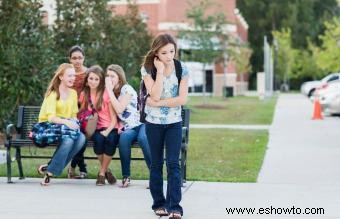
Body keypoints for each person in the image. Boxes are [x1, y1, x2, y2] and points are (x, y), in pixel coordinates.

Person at [141, 33, 189, 219]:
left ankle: (175, 207)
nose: (169, 56)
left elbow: (182, 99)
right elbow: (153, 94)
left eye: (172, 51)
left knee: (173, 164)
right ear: (156, 54)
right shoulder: (147, 68)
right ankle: (159, 204)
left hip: (173, 123)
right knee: (156, 164)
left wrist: (159, 103)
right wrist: (159, 71)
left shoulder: (182, 68)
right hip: (153, 124)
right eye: (164, 53)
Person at [37, 63, 86, 186]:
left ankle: (49, 167)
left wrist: (74, 123)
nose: (73, 78)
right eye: (69, 75)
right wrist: (67, 122)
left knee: (81, 138)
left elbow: (74, 114)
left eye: (74, 76)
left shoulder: (73, 93)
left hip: (66, 127)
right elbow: (51, 118)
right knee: (69, 140)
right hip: (48, 127)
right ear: (61, 77)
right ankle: (49, 173)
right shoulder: (53, 94)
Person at [105, 64, 151, 188]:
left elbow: (120, 109)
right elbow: (116, 116)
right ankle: (126, 176)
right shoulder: (112, 94)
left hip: (143, 124)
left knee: (143, 139)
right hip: (130, 128)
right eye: (107, 76)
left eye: (112, 76)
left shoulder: (127, 89)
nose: (109, 79)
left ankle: (155, 176)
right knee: (124, 139)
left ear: (119, 78)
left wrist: (109, 91)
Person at [79, 65, 119, 186]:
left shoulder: (106, 94)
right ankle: (107, 170)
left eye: (96, 79)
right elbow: (82, 114)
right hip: (94, 128)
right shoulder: (83, 95)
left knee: (111, 140)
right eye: (91, 78)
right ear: (86, 80)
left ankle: (101, 173)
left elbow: (114, 119)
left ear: (101, 81)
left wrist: (107, 131)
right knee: (98, 140)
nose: (93, 81)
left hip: (111, 126)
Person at [68, 45, 88, 179]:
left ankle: (74, 166)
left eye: (79, 58)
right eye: (74, 58)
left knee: (82, 137)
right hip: (68, 113)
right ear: (69, 59)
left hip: (85, 112)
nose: (77, 61)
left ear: (84, 58)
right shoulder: (66, 73)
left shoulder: (88, 73)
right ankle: (81, 167)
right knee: (77, 137)